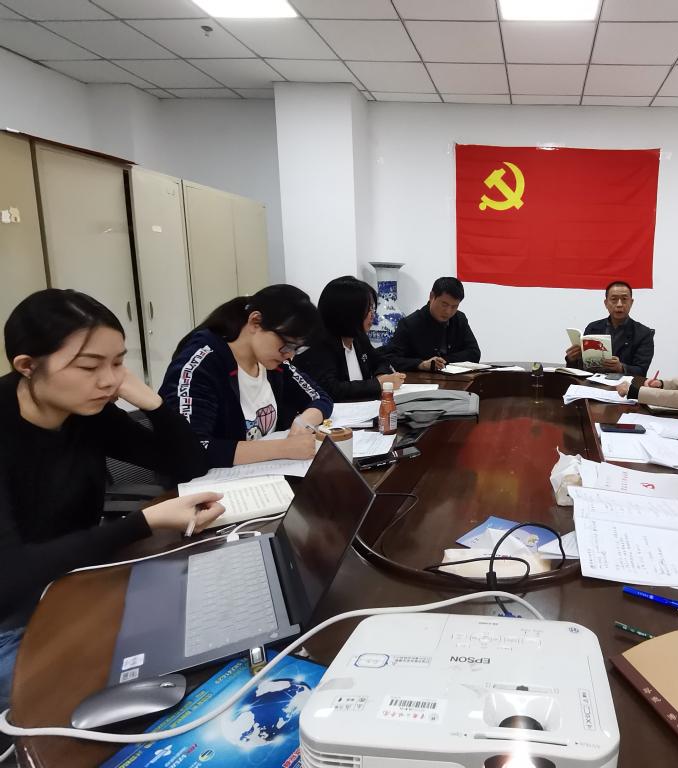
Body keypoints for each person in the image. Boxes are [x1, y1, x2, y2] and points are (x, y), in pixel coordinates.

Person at [0, 289, 225, 713]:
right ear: (27, 366)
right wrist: (144, 523)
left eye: (118, 362)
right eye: (89, 366)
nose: (108, 381)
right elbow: (11, 575)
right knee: (118, 689)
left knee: (194, 641)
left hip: (74, 582)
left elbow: (187, 463)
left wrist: (153, 402)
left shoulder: (86, 411)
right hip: (11, 617)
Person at [159, 284, 332, 468]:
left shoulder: (272, 363)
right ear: (255, 322)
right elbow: (191, 449)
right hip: (214, 481)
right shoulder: (202, 364)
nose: (289, 355)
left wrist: (304, 421)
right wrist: (283, 448)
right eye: (288, 344)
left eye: (297, 349)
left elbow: (320, 398)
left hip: (265, 474)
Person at [298, 276, 406, 401]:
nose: (373, 315)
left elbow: (381, 361)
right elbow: (332, 390)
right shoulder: (317, 345)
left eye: (373, 308)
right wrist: (378, 383)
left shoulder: (358, 338)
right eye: (368, 309)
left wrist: (382, 376)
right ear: (347, 313)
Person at [384, 277, 481, 372]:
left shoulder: (460, 319)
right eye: (444, 304)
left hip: (455, 378)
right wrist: (421, 364)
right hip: (419, 380)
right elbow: (391, 359)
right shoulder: (409, 324)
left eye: (454, 306)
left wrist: (443, 361)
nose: (448, 311)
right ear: (431, 296)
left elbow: (474, 353)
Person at [565, 281, 654, 376]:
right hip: (592, 381)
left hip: (623, 384)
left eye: (624, 299)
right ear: (606, 303)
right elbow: (582, 367)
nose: (619, 304)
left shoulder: (643, 333)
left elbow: (641, 370)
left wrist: (621, 368)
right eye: (614, 299)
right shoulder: (593, 327)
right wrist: (572, 359)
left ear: (631, 303)